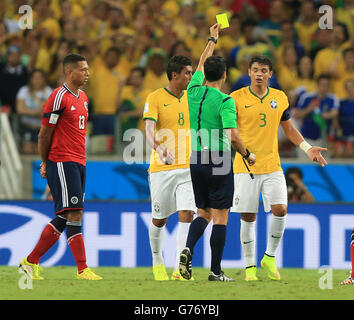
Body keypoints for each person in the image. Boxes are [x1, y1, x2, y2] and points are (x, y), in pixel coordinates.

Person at [229, 55, 327, 282]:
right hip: (245, 167)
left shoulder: (279, 98)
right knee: (248, 215)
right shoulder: (235, 98)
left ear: (270, 74)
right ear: (249, 72)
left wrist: (307, 148)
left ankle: (269, 257)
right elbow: (232, 133)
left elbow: (290, 129)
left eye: (264, 70)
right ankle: (250, 266)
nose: (260, 74)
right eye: (255, 70)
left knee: (281, 209)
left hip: (273, 165)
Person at [179, 24, 255, 282]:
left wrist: (212, 38)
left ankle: (188, 248)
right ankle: (215, 271)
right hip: (219, 158)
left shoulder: (192, 91)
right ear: (224, 74)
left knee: (203, 212)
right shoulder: (225, 101)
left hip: (196, 157)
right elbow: (233, 136)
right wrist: (247, 155)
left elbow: (200, 63)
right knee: (220, 216)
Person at [19, 53, 102, 281]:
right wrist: (46, 162)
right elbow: (44, 133)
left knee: (67, 216)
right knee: (74, 213)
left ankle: (30, 261)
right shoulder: (59, 97)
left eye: (87, 69)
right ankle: (83, 269)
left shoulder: (83, 97)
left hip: (79, 161)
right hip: (63, 160)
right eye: (83, 70)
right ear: (69, 72)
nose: (87, 73)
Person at [143, 55, 196, 281]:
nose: (191, 77)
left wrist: (212, 39)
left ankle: (178, 269)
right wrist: (160, 149)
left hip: (188, 167)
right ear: (175, 75)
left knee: (187, 214)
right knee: (159, 219)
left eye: (192, 73)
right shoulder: (155, 97)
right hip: (162, 168)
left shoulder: (192, 97)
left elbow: (204, 65)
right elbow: (148, 129)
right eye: (187, 73)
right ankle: (157, 261)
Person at [16, 69, 52, 154]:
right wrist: (37, 112)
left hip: (43, 129)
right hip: (27, 126)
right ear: (31, 79)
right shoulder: (24, 90)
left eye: (40, 78)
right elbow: (20, 109)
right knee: (27, 150)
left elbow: (53, 110)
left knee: (40, 151)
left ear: (44, 79)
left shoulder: (49, 91)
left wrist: (41, 113)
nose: (37, 80)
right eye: (35, 78)